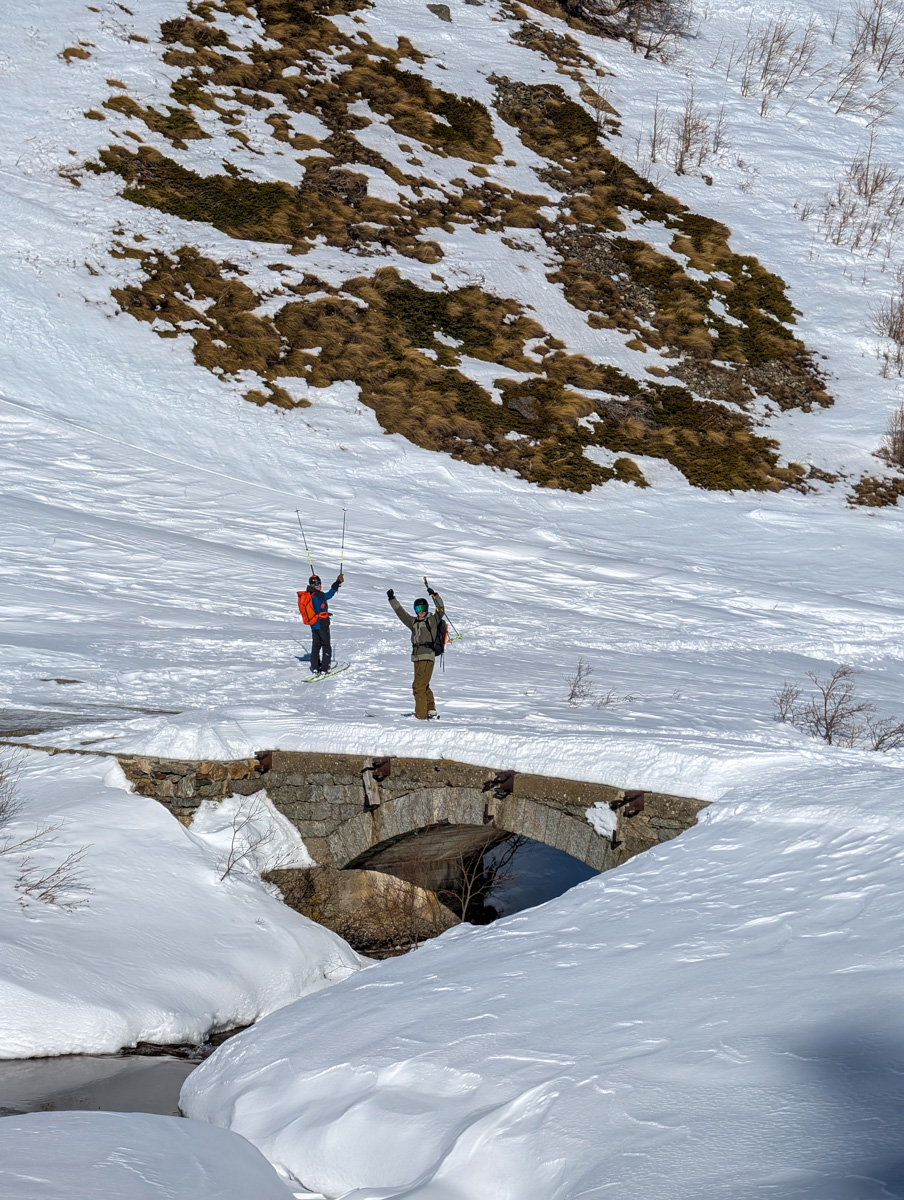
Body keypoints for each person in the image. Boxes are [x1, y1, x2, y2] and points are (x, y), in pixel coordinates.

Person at [387, 585, 444, 719]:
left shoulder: (432, 620)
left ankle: (420, 716)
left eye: (423, 609)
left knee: (418, 687)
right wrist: (392, 599)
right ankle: (430, 710)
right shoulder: (413, 622)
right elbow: (401, 614)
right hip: (417, 657)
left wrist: (434, 595)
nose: (421, 612)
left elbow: (441, 610)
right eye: (418, 609)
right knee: (423, 685)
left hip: (427, 656)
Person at [298, 573, 343, 674]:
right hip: (322, 623)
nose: (319, 585)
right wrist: (337, 582)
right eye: (317, 583)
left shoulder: (309, 594)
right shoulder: (318, 594)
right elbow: (328, 595)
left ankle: (315, 667)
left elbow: (316, 608)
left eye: (320, 583)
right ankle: (325, 668)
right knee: (326, 645)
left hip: (313, 623)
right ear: (313, 585)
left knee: (316, 645)